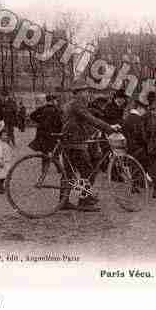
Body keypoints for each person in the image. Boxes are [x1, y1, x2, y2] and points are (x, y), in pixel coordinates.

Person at [59, 79, 120, 212]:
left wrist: (95, 131)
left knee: (68, 172)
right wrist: (109, 128)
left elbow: (80, 123)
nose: (87, 94)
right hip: (75, 143)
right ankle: (84, 201)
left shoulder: (69, 104)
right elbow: (90, 119)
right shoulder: (77, 104)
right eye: (85, 91)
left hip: (68, 141)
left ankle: (63, 201)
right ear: (79, 92)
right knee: (87, 170)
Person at [29, 94, 63, 174]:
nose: (56, 102)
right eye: (56, 100)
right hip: (53, 134)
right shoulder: (57, 110)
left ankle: (44, 170)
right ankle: (59, 169)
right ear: (52, 101)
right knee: (55, 152)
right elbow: (60, 122)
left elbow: (32, 115)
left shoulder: (42, 108)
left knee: (45, 152)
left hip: (42, 133)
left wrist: (39, 121)